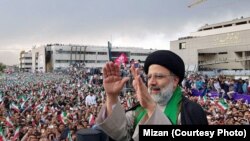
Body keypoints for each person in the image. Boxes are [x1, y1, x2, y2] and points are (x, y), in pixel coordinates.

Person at [95, 50, 208, 141]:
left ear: (175, 81)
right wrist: (112, 97)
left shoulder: (191, 112)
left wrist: (151, 108)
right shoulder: (138, 111)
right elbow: (120, 135)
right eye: (149, 77)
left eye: (159, 76)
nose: (152, 82)